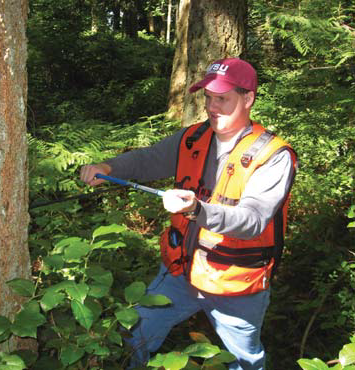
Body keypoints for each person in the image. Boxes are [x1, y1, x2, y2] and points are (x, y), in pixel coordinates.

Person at [80, 58, 297, 370]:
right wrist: (108, 168)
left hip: (236, 283)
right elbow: (148, 159)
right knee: (137, 335)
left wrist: (197, 210)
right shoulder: (193, 138)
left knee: (245, 361)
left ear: (248, 98)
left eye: (222, 99)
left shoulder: (274, 156)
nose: (212, 107)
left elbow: (253, 220)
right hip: (179, 272)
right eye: (207, 97)